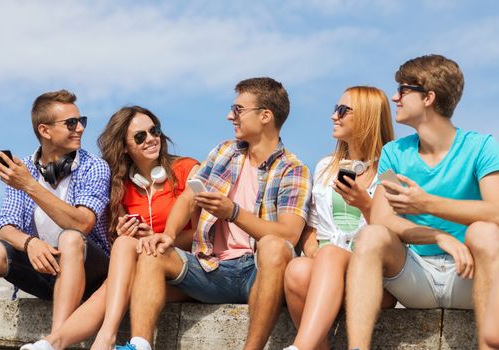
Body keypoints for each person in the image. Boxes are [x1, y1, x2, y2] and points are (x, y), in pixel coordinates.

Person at [112, 77, 312, 350]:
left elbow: (289, 234)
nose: (231, 115)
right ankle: (140, 345)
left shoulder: (293, 168)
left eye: (239, 109)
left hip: (258, 271)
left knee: (274, 247)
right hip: (211, 267)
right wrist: (168, 235)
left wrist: (234, 213)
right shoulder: (224, 151)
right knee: (152, 252)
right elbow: (188, 197)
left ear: (265, 116)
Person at [345, 54, 499, 350]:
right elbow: (382, 219)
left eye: (403, 90)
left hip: (470, 276)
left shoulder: (482, 147)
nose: (394, 97)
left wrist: (426, 204)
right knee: (372, 235)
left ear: (428, 97)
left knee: (485, 231)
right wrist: (438, 235)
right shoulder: (394, 153)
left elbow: (496, 211)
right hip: (416, 276)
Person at [20, 106, 199, 350]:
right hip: (145, 274)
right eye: (140, 136)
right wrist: (126, 235)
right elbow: (114, 246)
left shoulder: (186, 170)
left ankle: (101, 338)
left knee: (120, 272)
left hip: (184, 270)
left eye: (154, 131)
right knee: (123, 253)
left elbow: (203, 235)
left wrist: (157, 238)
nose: (151, 139)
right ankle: (55, 343)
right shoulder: (120, 187)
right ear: (125, 147)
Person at [0, 90, 110, 333]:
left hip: (91, 274)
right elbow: (5, 225)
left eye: (82, 121)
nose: (79, 128)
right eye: (71, 123)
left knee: (70, 238)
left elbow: (82, 224)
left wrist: (29, 185)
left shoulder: (95, 167)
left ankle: (54, 341)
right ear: (45, 130)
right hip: (46, 269)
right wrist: (30, 243)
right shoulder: (24, 168)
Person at [283, 86, 395, 350]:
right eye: (335, 109)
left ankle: (300, 347)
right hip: (327, 268)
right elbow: (310, 227)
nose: (335, 116)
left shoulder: (390, 170)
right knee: (298, 269)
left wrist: (366, 205)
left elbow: (393, 230)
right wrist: (313, 253)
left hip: (374, 276)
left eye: (343, 110)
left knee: (331, 254)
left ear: (367, 116)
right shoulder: (325, 166)